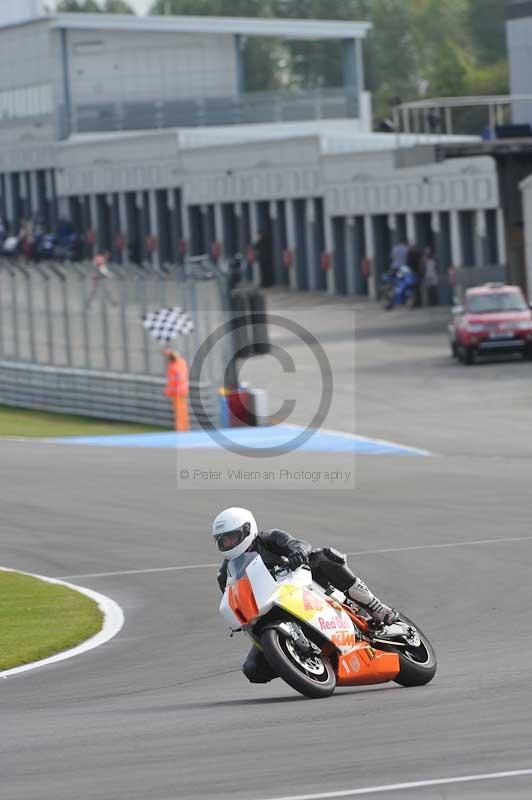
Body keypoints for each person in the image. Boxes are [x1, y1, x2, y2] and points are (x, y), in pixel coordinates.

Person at [213, 507, 399, 684]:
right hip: (267, 609)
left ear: (247, 530)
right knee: (253, 670)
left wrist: (298, 553)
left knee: (324, 557)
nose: (229, 543)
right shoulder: (226, 574)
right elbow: (233, 598)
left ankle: (376, 608)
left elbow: (298, 543)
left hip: (298, 585)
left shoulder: (268, 538)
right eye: (224, 541)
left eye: (233, 537)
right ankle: (296, 660)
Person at [164, 348, 190, 432]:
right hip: (180, 391)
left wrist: (169, 390)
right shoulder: (180, 362)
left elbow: (175, 380)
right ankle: (184, 428)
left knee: (179, 412)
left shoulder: (174, 365)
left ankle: (181, 429)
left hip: (178, 392)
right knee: (182, 410)